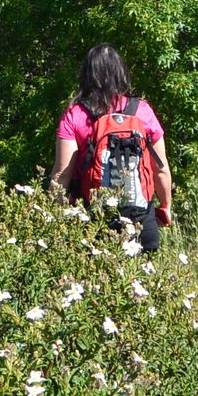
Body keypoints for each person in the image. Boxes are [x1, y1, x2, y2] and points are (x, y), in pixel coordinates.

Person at [49, 43, 173, 253]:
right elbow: (160, 169)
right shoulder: (142, 111)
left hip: (92, 221)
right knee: (141, 283)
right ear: (121, 73)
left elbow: (62, 174)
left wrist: (54, 213)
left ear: (87, 75)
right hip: (142, 220)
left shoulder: (76, 114)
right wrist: (165, 207)